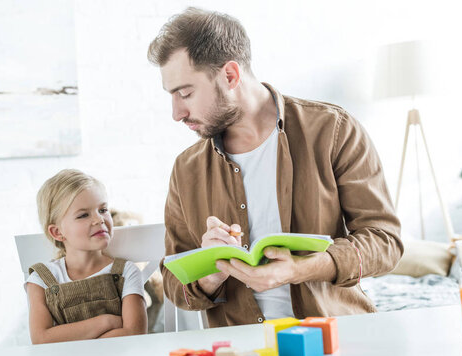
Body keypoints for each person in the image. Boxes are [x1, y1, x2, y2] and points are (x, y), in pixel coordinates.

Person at [147, 7, 403, 327]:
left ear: (230, 75)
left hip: (333, 336)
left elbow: (385, 242)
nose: (176, 113)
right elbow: (173, 283)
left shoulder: (333, 130)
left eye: (185, 93)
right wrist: (209, 273)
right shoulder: (187, 170)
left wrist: (302, 269)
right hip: (243, 354)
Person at [26, 169, 147, 343]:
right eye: (83, 215)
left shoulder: (127, 272)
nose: (99, 219)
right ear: (57, 232)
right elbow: (41, 339)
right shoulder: (41, 280)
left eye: (103, 209)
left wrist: (68, 339)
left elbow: (134, 333)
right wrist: (106, 321)